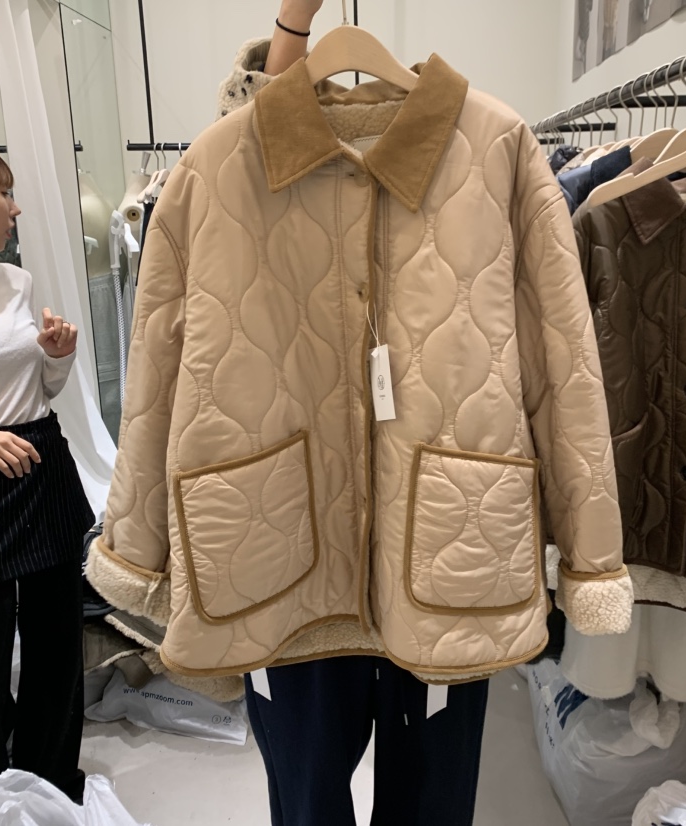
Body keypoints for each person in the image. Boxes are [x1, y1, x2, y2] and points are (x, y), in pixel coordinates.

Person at [242, 4, 489, 824]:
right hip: (289, 547)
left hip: (445, 543)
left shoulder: (492, 153)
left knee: (432, 799)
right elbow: (169, 354)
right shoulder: (229, 165)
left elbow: (560, 348)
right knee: (307, 794)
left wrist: (583, 548)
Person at [0, 142, 94, 802]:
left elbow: (39, 390)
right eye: (3, 191)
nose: (14, 208)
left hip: (41, 468)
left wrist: (57, 357)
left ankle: (52, 784)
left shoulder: (15, 282)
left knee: (56, 646)